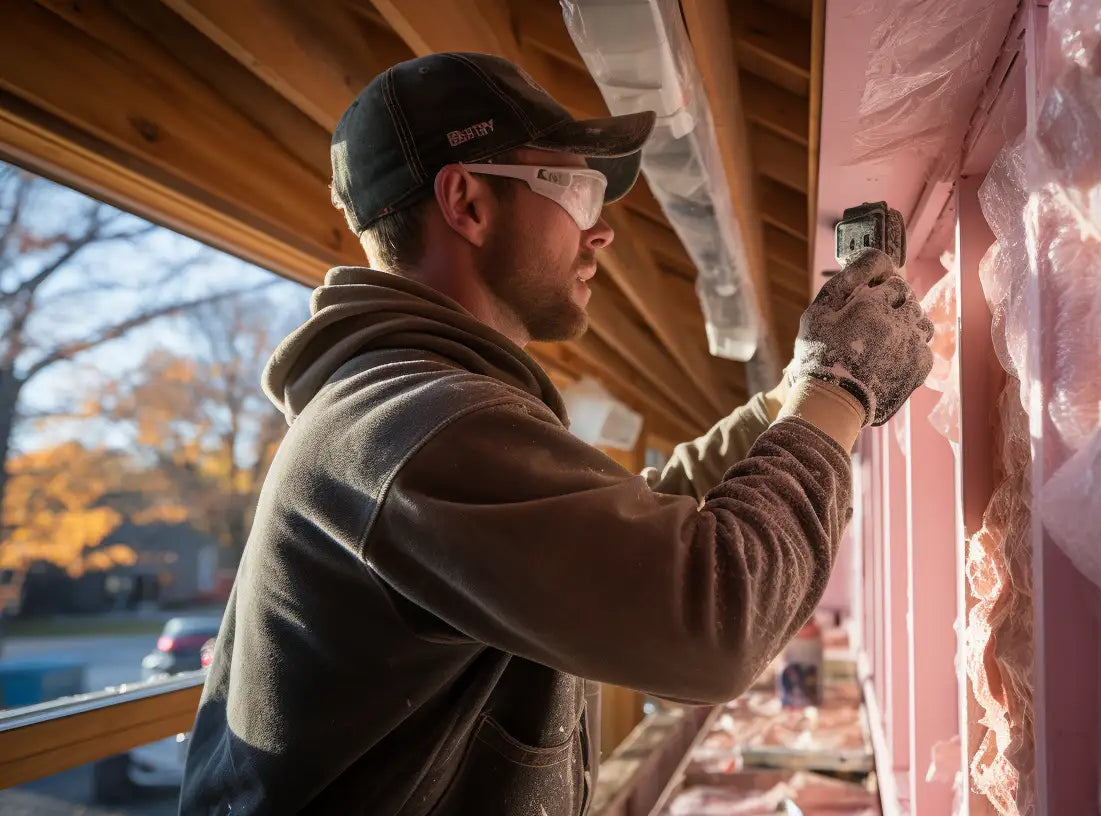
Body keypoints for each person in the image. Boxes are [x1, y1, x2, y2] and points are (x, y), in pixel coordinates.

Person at [179, 52, 933, 815]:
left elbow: (627, 526)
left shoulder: (409, 409)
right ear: (467, 202)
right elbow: (712, 624)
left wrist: (794, 395)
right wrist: (839, 389)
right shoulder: (412, 424)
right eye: (576, 189)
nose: (602, 230)